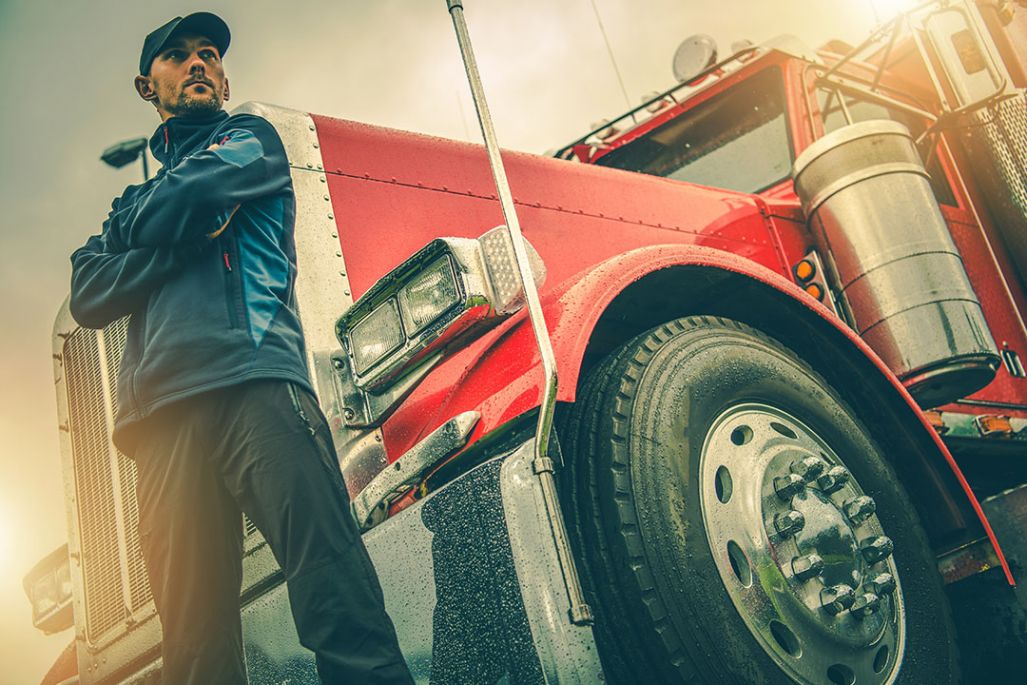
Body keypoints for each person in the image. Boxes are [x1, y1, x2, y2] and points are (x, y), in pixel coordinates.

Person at [68, 12, 414, 685]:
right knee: (195, 651)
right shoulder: (131, 199)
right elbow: (88, 290)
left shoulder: (247, 140)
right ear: (149, 85)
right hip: (162, 421)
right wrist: (188, 238)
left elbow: (196, 189)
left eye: (208, 55)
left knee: (335, 598)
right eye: (177, 56)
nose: (197, 62)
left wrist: (147, 236)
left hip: (258, 386)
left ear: (223, 77)